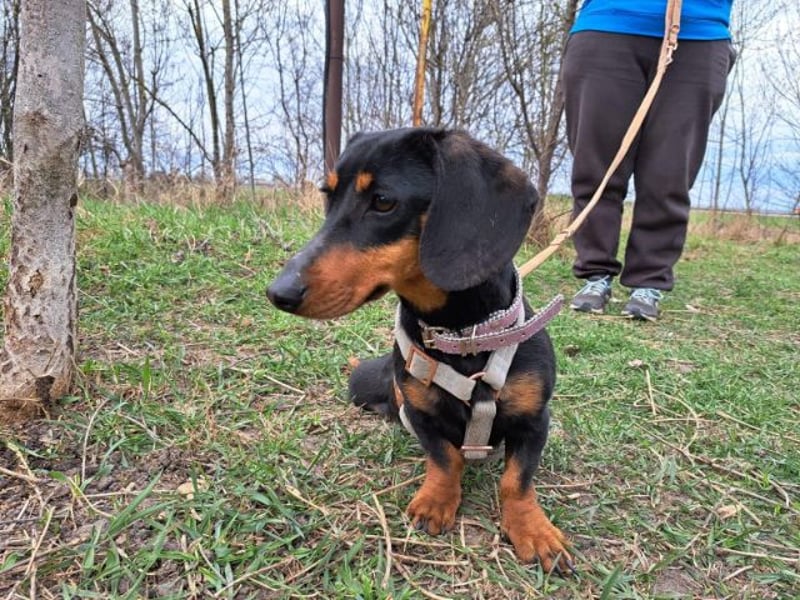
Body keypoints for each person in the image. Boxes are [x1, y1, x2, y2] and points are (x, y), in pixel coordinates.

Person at [563, 0, 736, 321]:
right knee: (598, 169)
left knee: (669, 174)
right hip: (608, 26)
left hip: (698, 35)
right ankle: (595, 273)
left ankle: (649, 281)